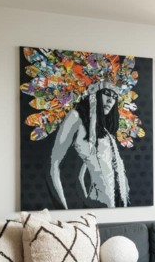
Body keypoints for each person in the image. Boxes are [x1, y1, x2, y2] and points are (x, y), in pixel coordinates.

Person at [49, 81, 130, 209]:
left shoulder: (105, 130)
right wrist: (64, 209)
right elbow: (53, 164)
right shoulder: (75, 117)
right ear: (94, 94)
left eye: (114, 97)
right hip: (97, 206)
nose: (110, 100)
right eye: (106, 94)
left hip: (117, 207)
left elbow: (80, 174)